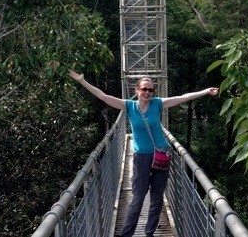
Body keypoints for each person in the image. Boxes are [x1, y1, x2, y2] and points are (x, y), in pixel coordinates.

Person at [68, 70, 219, 237]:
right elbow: (103, 96)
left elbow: (184, 97)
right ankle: (127, 234)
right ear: (137, 90)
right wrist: (82, 81)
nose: (148, 92)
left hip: (161, 154)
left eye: (150, 90)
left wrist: (205, 91)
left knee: (156, 199)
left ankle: (149, 233)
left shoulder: (158, 104)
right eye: (144, 89)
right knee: (138, 199)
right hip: (141, 158)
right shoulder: (129, 106)